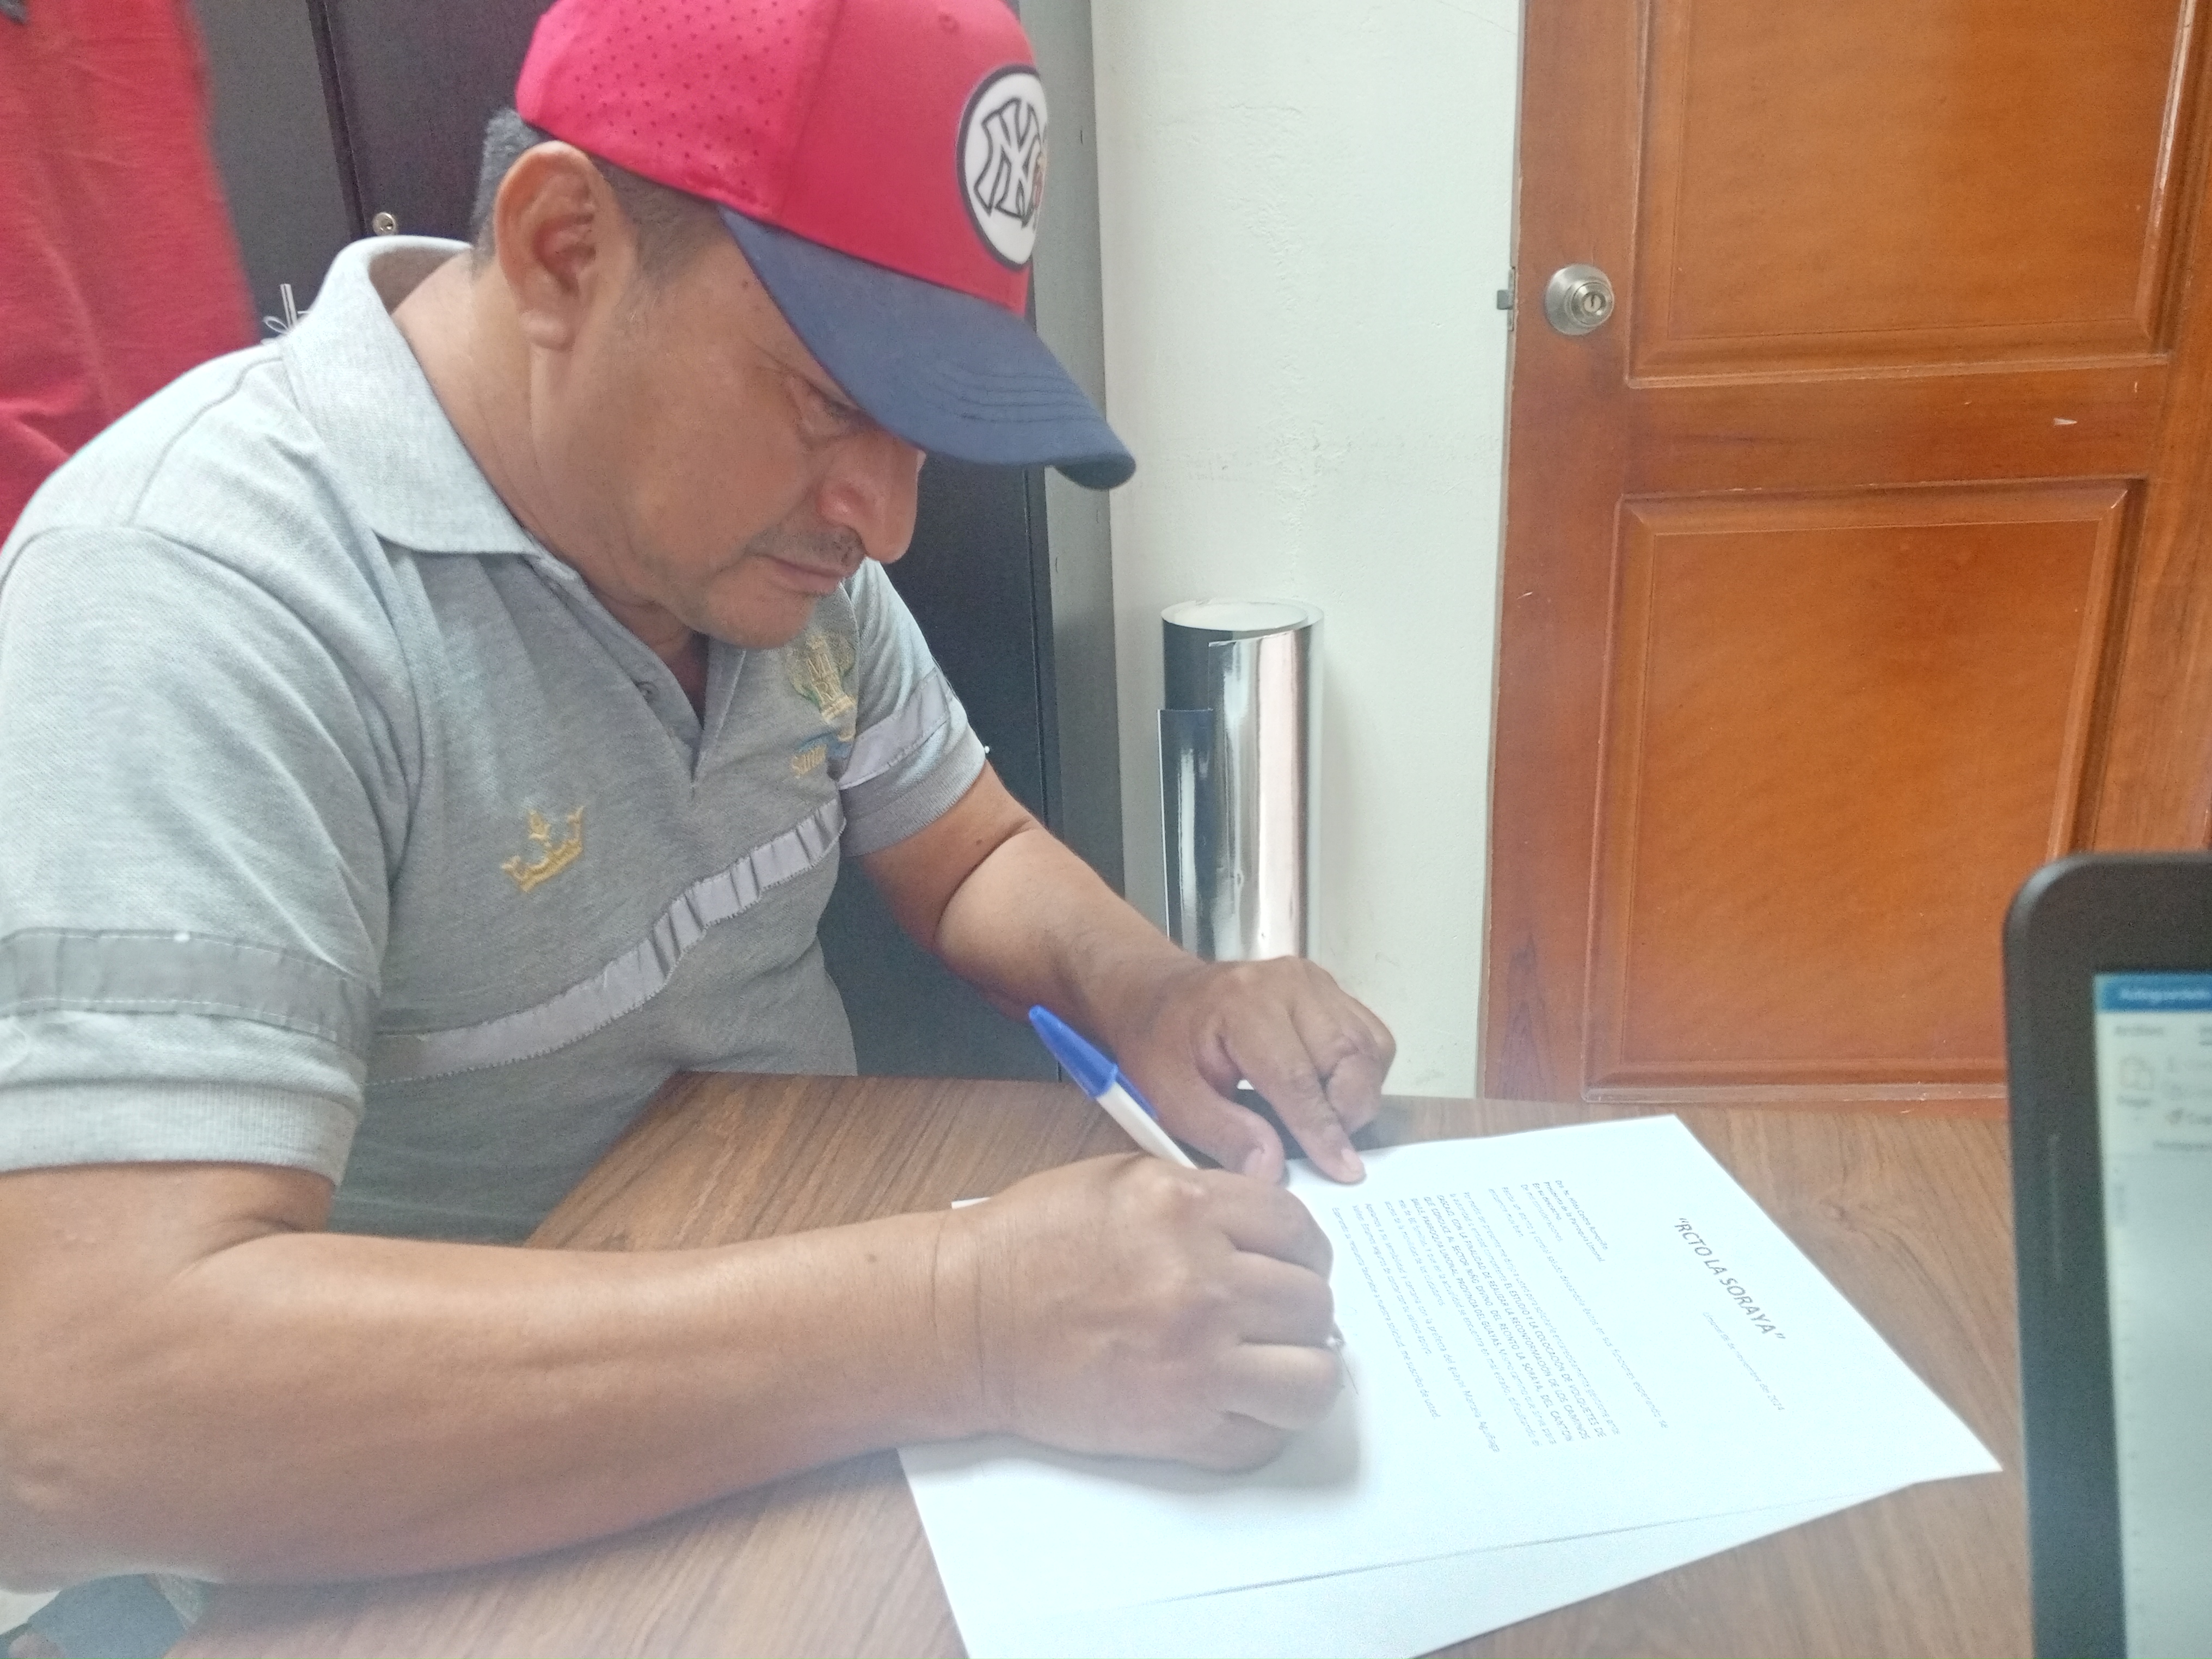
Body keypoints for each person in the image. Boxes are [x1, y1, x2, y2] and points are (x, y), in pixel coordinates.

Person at [0, 0, 1394, 1625]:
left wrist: (1154, 992)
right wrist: (962, 1320)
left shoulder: (767, 565)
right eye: (826, 399)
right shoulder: (192, 594)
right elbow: (83, 1407)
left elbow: (971, 855)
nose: (884, 519)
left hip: (828, 1415)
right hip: (454, 1532)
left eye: (923, 431)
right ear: (564, 252)